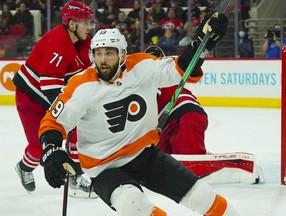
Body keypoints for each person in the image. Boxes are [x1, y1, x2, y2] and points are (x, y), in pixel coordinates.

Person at [38, 13, 239, 216]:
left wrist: (201, 45)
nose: (103, 60)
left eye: (109, 53)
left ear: (123, 55)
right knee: (134, 206)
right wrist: (51, 150)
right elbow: (53, 122)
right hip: (104, 168)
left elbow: (180, 68)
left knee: (202, 195)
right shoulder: (81, 86)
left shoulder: (142, 66)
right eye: (98, 54)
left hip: (145, 155)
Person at [13, 1, 95, 197]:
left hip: (51, 94)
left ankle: (75, 174)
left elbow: (87, 72)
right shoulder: (58, 42)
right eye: (85, 23)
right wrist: (68, 112)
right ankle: (24, 167)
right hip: (31, 98)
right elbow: (50, 85)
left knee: (78, 132)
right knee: (39, 147)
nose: (89, 27)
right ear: (72, 24)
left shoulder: (85, 42)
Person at [145, 45, 207, 155]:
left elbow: (154, 96)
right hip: (170, 122)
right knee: (162, 164)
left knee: (190, 165)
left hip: (182, 116)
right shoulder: (168, 69)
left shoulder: (154, 73)